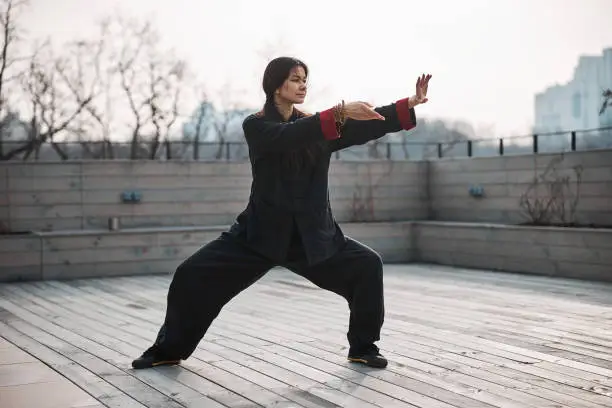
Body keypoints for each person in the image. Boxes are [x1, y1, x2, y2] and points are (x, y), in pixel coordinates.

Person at [132, 57, 431, 370]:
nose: (303, 85)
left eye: (305, 79)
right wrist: (339, 113)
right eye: (295, 79)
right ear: (276, 86)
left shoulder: (319, 125)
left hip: (310, 237)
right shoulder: (257, 126)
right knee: (190, 275)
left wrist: (407, 104)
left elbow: (363, 126)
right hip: (259, 236)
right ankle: (167, 350)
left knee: (367, 266)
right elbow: (290, 136)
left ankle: (363, 347)